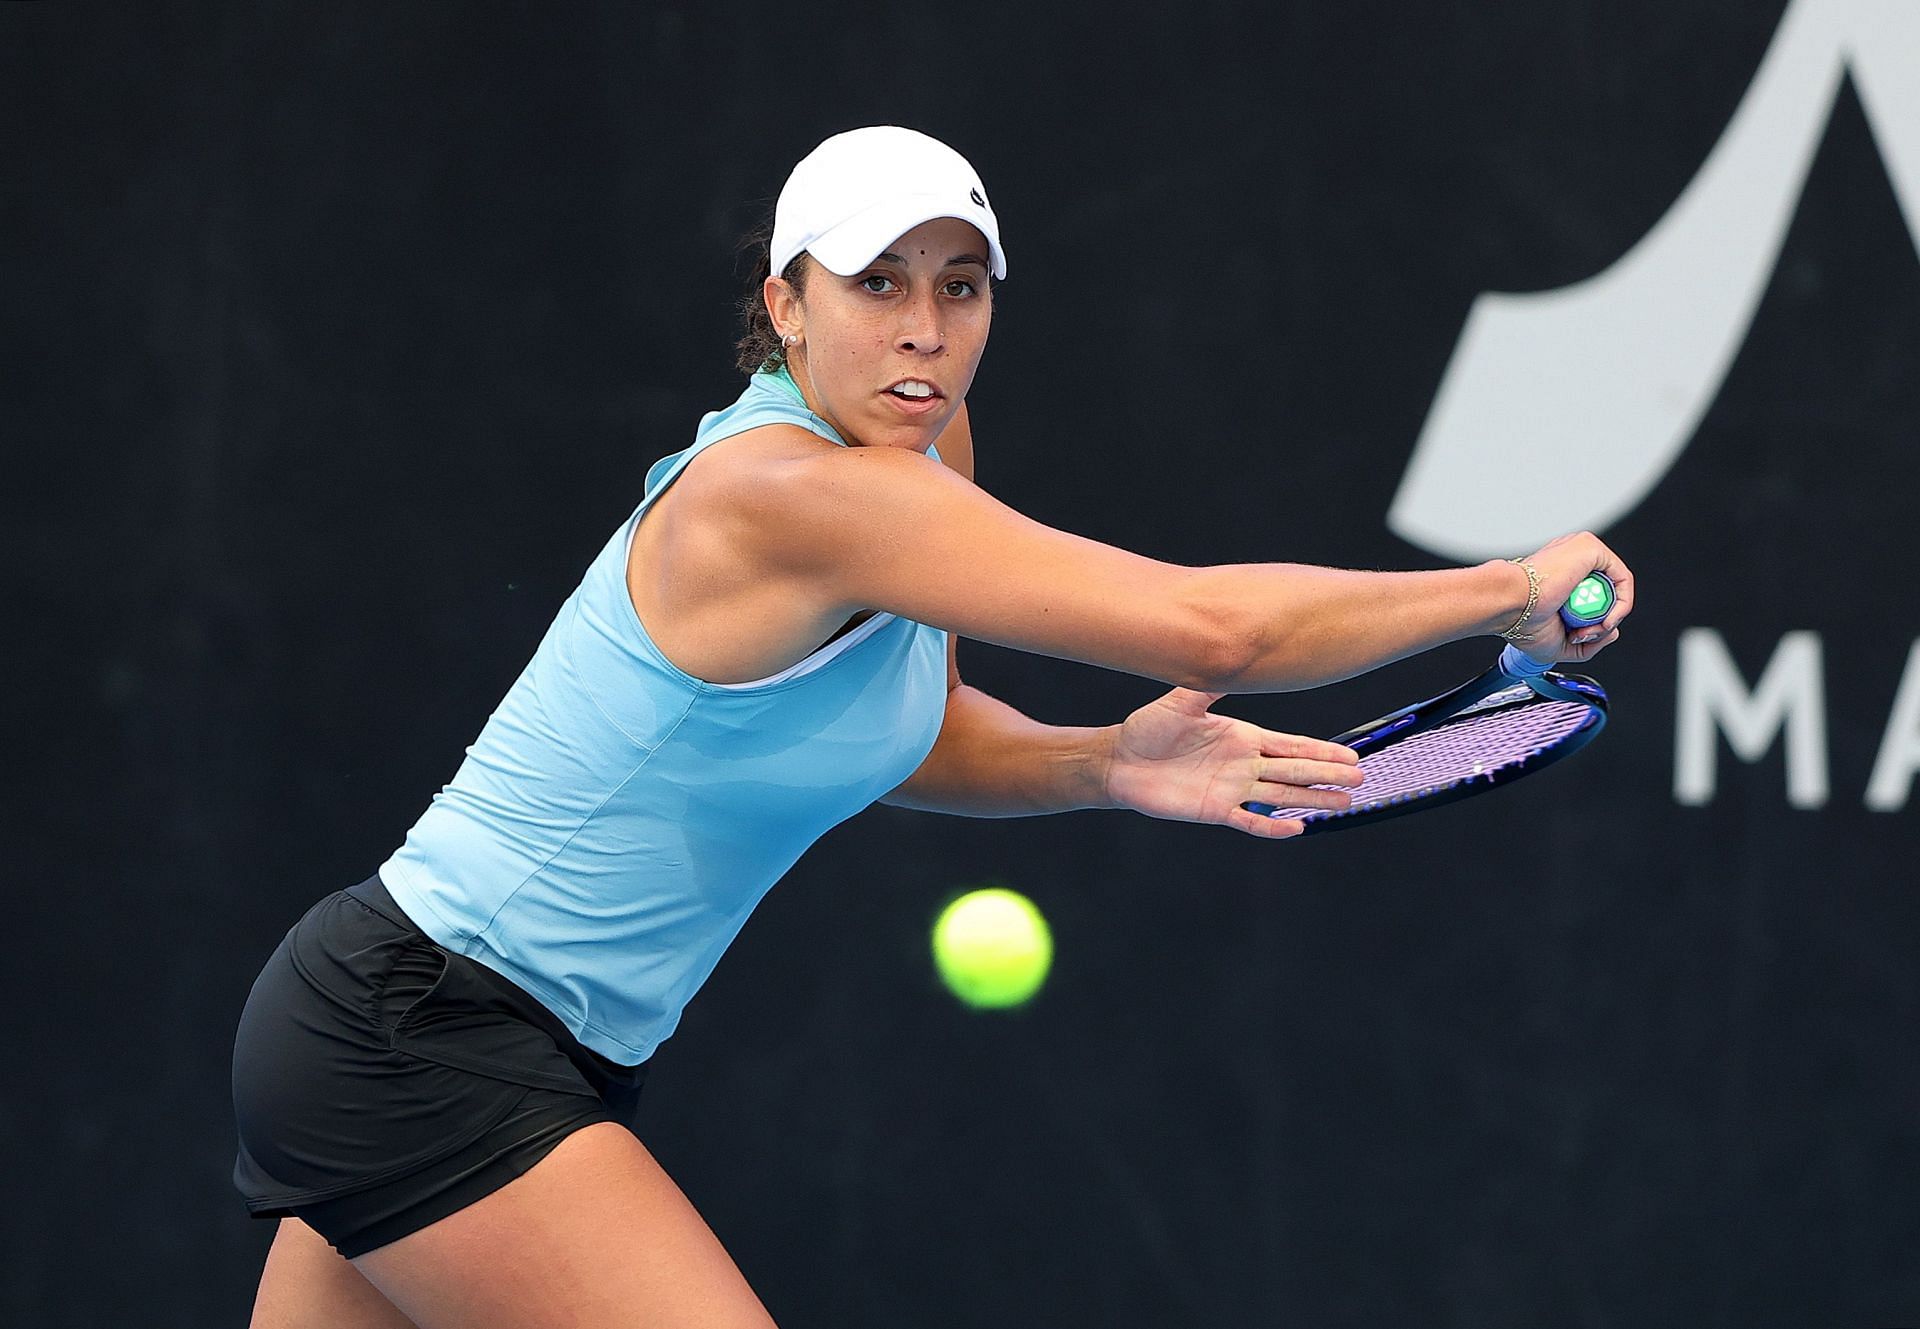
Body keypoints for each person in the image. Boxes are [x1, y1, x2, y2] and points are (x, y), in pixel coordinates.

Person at [230, 125, 1632, 1328]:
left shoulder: (917, 454)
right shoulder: (796, 496)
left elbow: (911, 731)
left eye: (959, 287)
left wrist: (1101, 762)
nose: (923, 325)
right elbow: (1220, 634)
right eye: (876, 282)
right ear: (786, 304)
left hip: (478, 1042)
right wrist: (1507, 591)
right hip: (419, 1031)